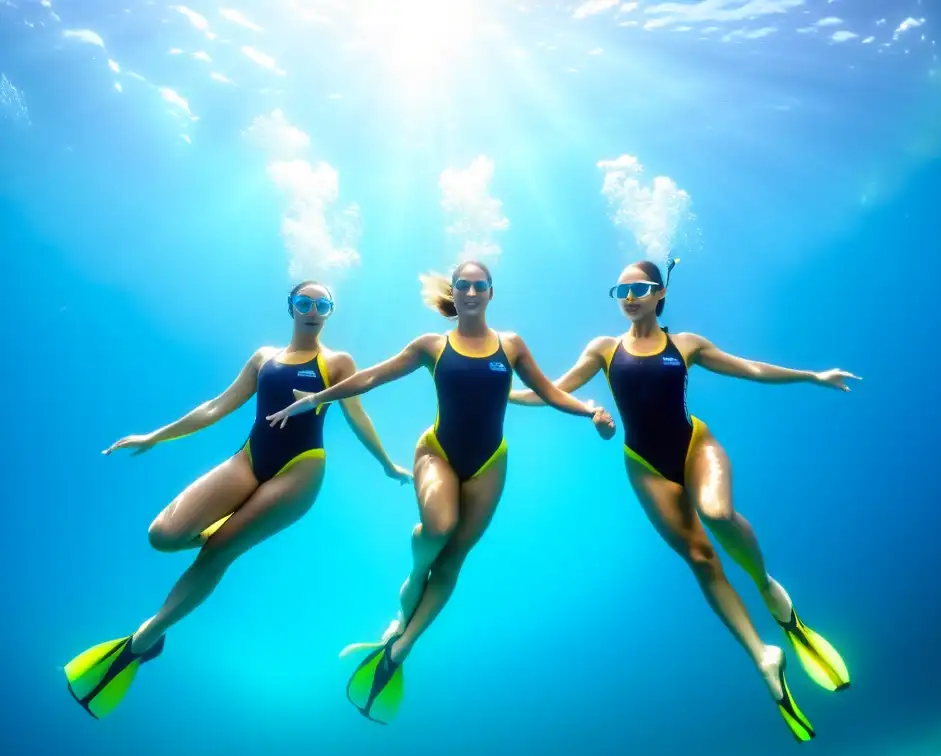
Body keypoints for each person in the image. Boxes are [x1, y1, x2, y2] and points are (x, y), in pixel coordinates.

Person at [508, 257, 857, 742]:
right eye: (621, 291)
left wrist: (811, 376)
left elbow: (749, 368)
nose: (629, 298)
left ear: (660, 295)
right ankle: (762, 655)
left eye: (640, 289)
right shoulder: (603, 350)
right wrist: (500, 395)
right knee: (700, 558)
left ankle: (767, 588)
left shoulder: (685, 344)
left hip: (696, 447)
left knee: (716, 513)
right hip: (644, 466)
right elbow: (552, 390)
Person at [266, 260, 615, 724]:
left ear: (491, 293)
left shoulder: (510, 346)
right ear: (454, 293)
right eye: (463, 285)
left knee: (453, 559)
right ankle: (413, 573)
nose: (471, 291)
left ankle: (401, 646)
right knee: (438, 528)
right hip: (437, 453)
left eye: (479, 285)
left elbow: (550, 392)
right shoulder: (432, 345)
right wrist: (314, 398)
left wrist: (590, 414)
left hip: (490, 463)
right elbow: (372, 376)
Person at [63, 281, 411, 719]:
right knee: (164, 535)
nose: (313, 310)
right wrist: (155, 437)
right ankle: (218, 536)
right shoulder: (264, 358)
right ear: (291, 307)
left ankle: (145, 640)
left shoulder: (337, 363)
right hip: (248, 459)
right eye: (305, 302)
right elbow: (216, 406)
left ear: (329, 312)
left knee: (218, 551)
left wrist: (386, 464)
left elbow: (357, 415)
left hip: (299, 470)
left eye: (322, 304)